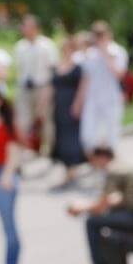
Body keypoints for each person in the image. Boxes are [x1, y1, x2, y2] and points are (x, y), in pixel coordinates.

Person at [73, 21, 128, 154]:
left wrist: (105, 54)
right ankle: (96, 160)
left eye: (101, 35)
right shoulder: (90, 54)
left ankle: (111, 161)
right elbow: (85, 79)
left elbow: (118, 74)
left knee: (112, 133)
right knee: (88, 134)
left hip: (111, 98)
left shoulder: (117, 51)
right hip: (92, 99)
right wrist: (78, 102)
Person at [14, 15, 58, 155]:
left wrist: (48, 91)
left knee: (45, 121)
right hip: (25, 89)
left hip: (42, 88)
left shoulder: (47, 45)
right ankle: (23, 150)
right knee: (23, 121)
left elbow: (53, 71)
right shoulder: (20, 46)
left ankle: (47, 151)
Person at [51, 38, 86, 188]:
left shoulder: (78, 67)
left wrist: (78, 104)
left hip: (71, 105)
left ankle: (72, 169)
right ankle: (67, 169)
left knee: (71, 138)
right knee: (60, 137)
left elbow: (83, 86)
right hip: (59, 106)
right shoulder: (56, 66)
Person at [0, 94, 22, 264]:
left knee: (8, 224)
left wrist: (7, 176)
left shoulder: (7, 125)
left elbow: (14, 154)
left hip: (4, 173)